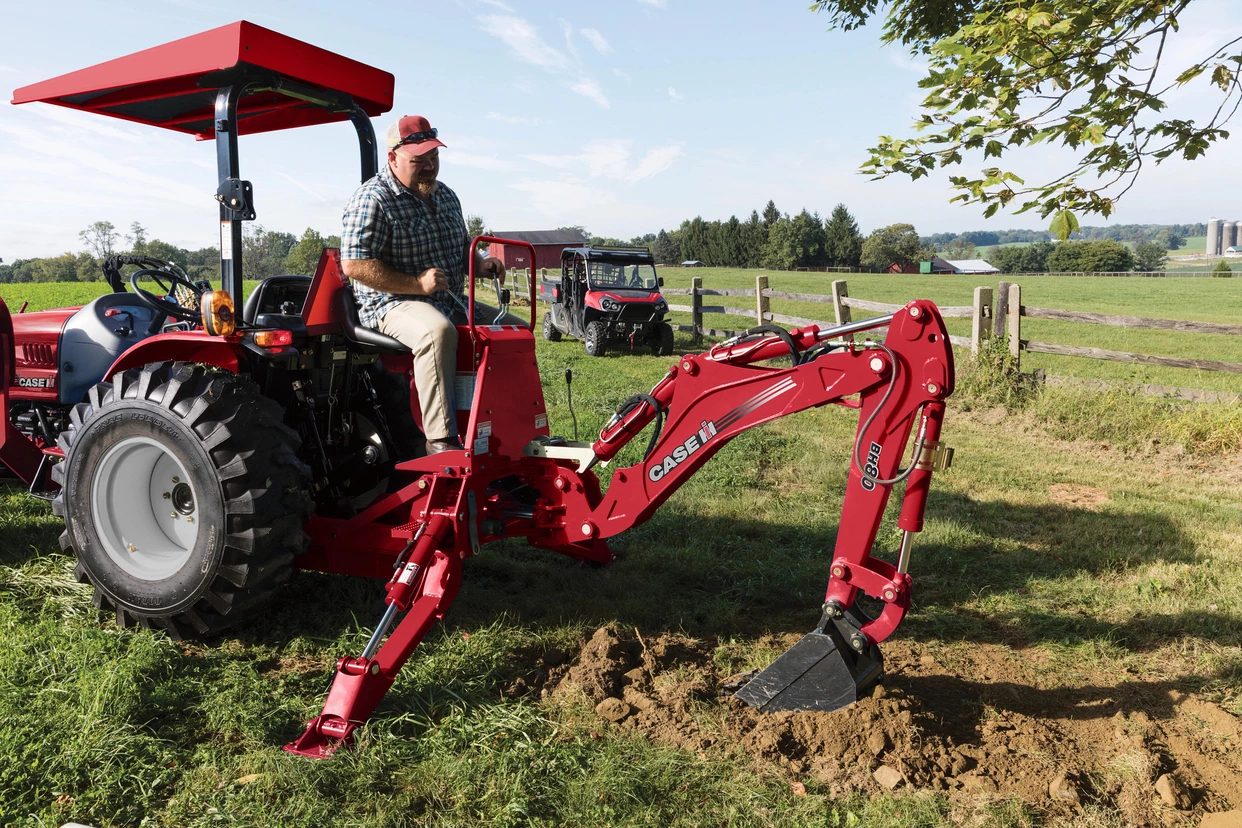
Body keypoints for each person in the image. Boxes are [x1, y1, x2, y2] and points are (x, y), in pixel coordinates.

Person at [341, 115, 509, 455]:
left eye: (434, 158)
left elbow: (461, 248)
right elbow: (355, 264)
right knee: (437, 332)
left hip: (447, 298)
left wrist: (480, 264)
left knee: (511, 331)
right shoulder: (372, 199)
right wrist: (417, 284)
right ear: (393, 158)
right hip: (392, 303)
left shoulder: (446, 196)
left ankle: (503, 428)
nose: (430, 167)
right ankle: (441, 444)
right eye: (419, 161)